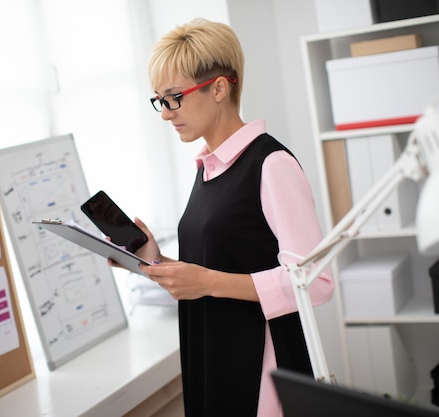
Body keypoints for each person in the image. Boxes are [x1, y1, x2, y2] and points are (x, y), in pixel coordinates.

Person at [115, 18, 335, 417]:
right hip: (209, 349)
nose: (165, 113)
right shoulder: (207, 168)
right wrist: (152, 258)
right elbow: (210, 270)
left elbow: (316, 281)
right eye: (160, 100)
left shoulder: (271, 165)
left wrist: (208, 282)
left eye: (174, 97)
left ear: (219, 87)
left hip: (259, 362)